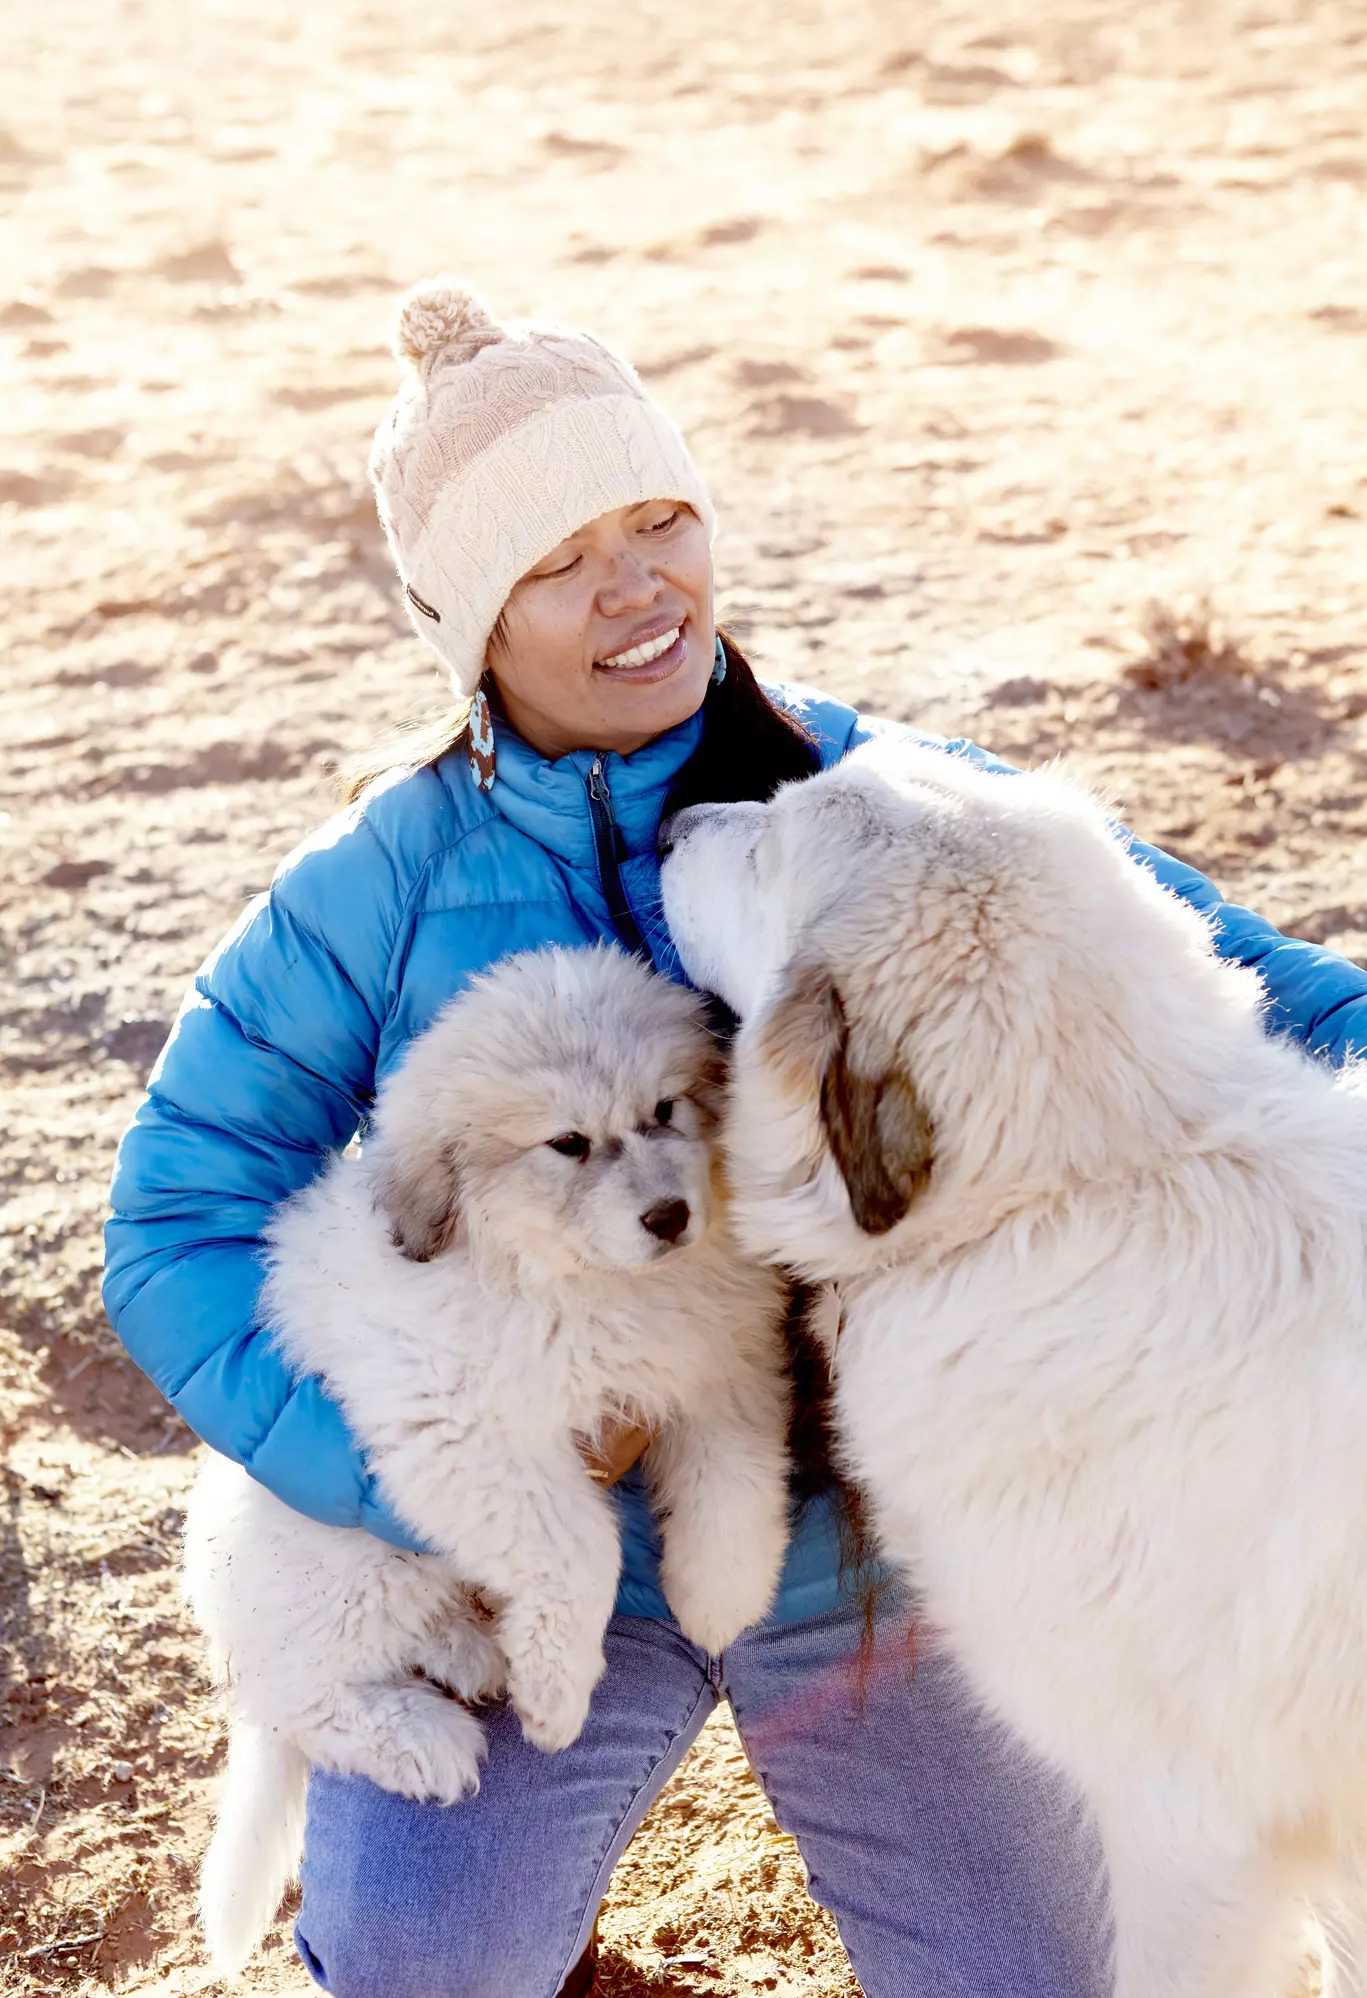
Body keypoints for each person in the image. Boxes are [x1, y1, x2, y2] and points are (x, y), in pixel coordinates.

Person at [104, 279, 1367, 1998]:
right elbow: (171, 1223)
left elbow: (1260, 993)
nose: (635, 585)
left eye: (660, 518)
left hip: (871, 1572)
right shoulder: (368, 890)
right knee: (418, 1960)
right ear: (469, 621)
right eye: (557, 559)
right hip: (542, 1574)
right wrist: (409, 1479)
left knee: (1052, 1976)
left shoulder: (890, 811)